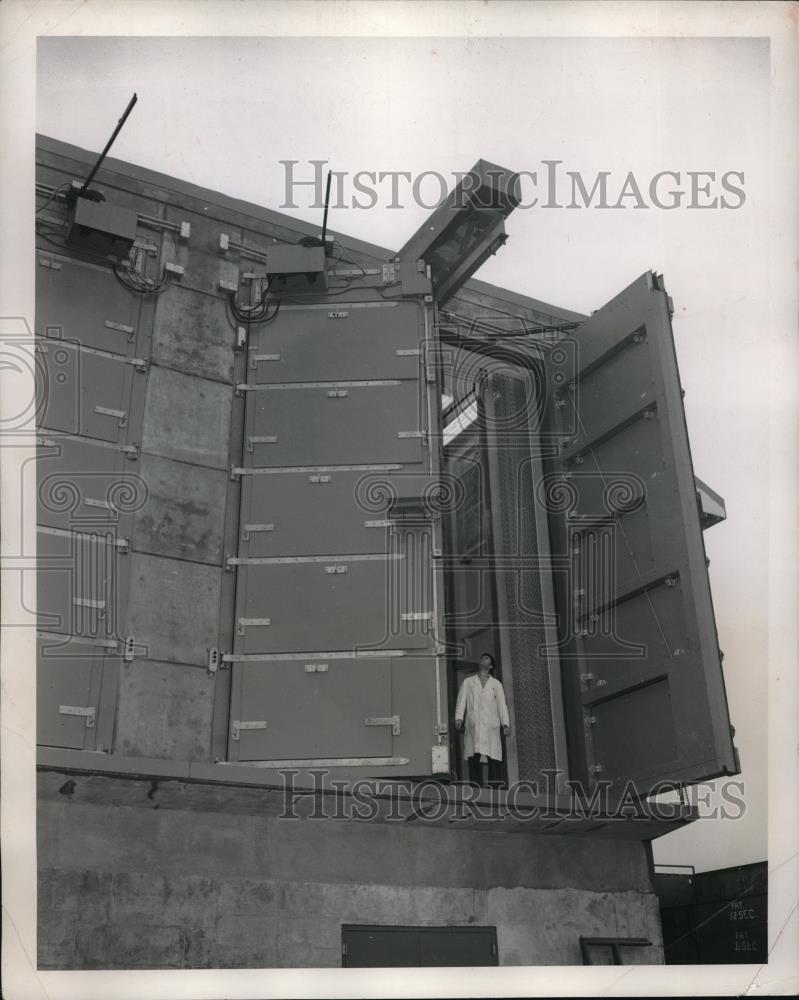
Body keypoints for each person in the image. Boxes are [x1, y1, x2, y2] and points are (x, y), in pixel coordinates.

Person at [454, 653, 510, 786]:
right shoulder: (468, 682)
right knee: (474, 757)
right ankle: (475, 790)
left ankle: (495, 791)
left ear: (490, 666)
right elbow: (461, 701)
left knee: (493, 758)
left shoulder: (496, 684)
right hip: (474, 725)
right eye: (482, 657)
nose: (482, 659)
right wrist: (459, 717)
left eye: (486, 658)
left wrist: (505, 724)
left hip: (491, 727)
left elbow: (502, 705)